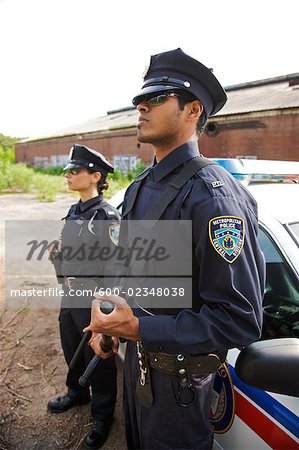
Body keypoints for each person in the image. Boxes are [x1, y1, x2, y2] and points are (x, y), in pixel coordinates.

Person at [84, 48, 265, 449]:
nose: (141, 106)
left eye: (157, 98)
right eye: (140, 100)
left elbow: (238, 320)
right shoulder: (140, 187)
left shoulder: (214, 198)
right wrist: (112, 324)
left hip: (181, 388)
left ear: (193, 110)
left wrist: (137, 328)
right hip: (138, 365)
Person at [47, 144, 121, 450]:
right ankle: (77, 393)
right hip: (72, 296)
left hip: (95, 299)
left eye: (75, 171)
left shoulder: (107, 216)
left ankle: (103, 415)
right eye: (67, 171)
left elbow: (117, 267)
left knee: (98, 358)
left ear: (95, 176)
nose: (68, 175)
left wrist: (106, 310)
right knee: (71, 348)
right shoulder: (75, 211)